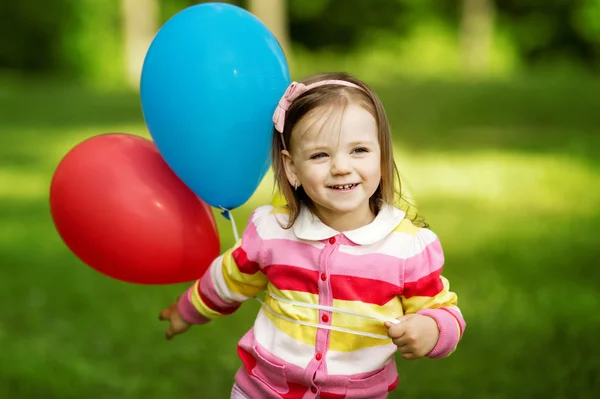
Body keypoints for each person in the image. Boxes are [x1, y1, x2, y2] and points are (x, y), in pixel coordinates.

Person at [159, 72, 466, 399]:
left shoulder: (405, 247)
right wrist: (186, 311)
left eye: (359, 150)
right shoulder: (273, 232)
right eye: (321, 155)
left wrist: (432, 330)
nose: (341, 167)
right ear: (292, 169)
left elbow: (444, 311)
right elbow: (227, 279)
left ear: (382, 156)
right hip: (263, 390)